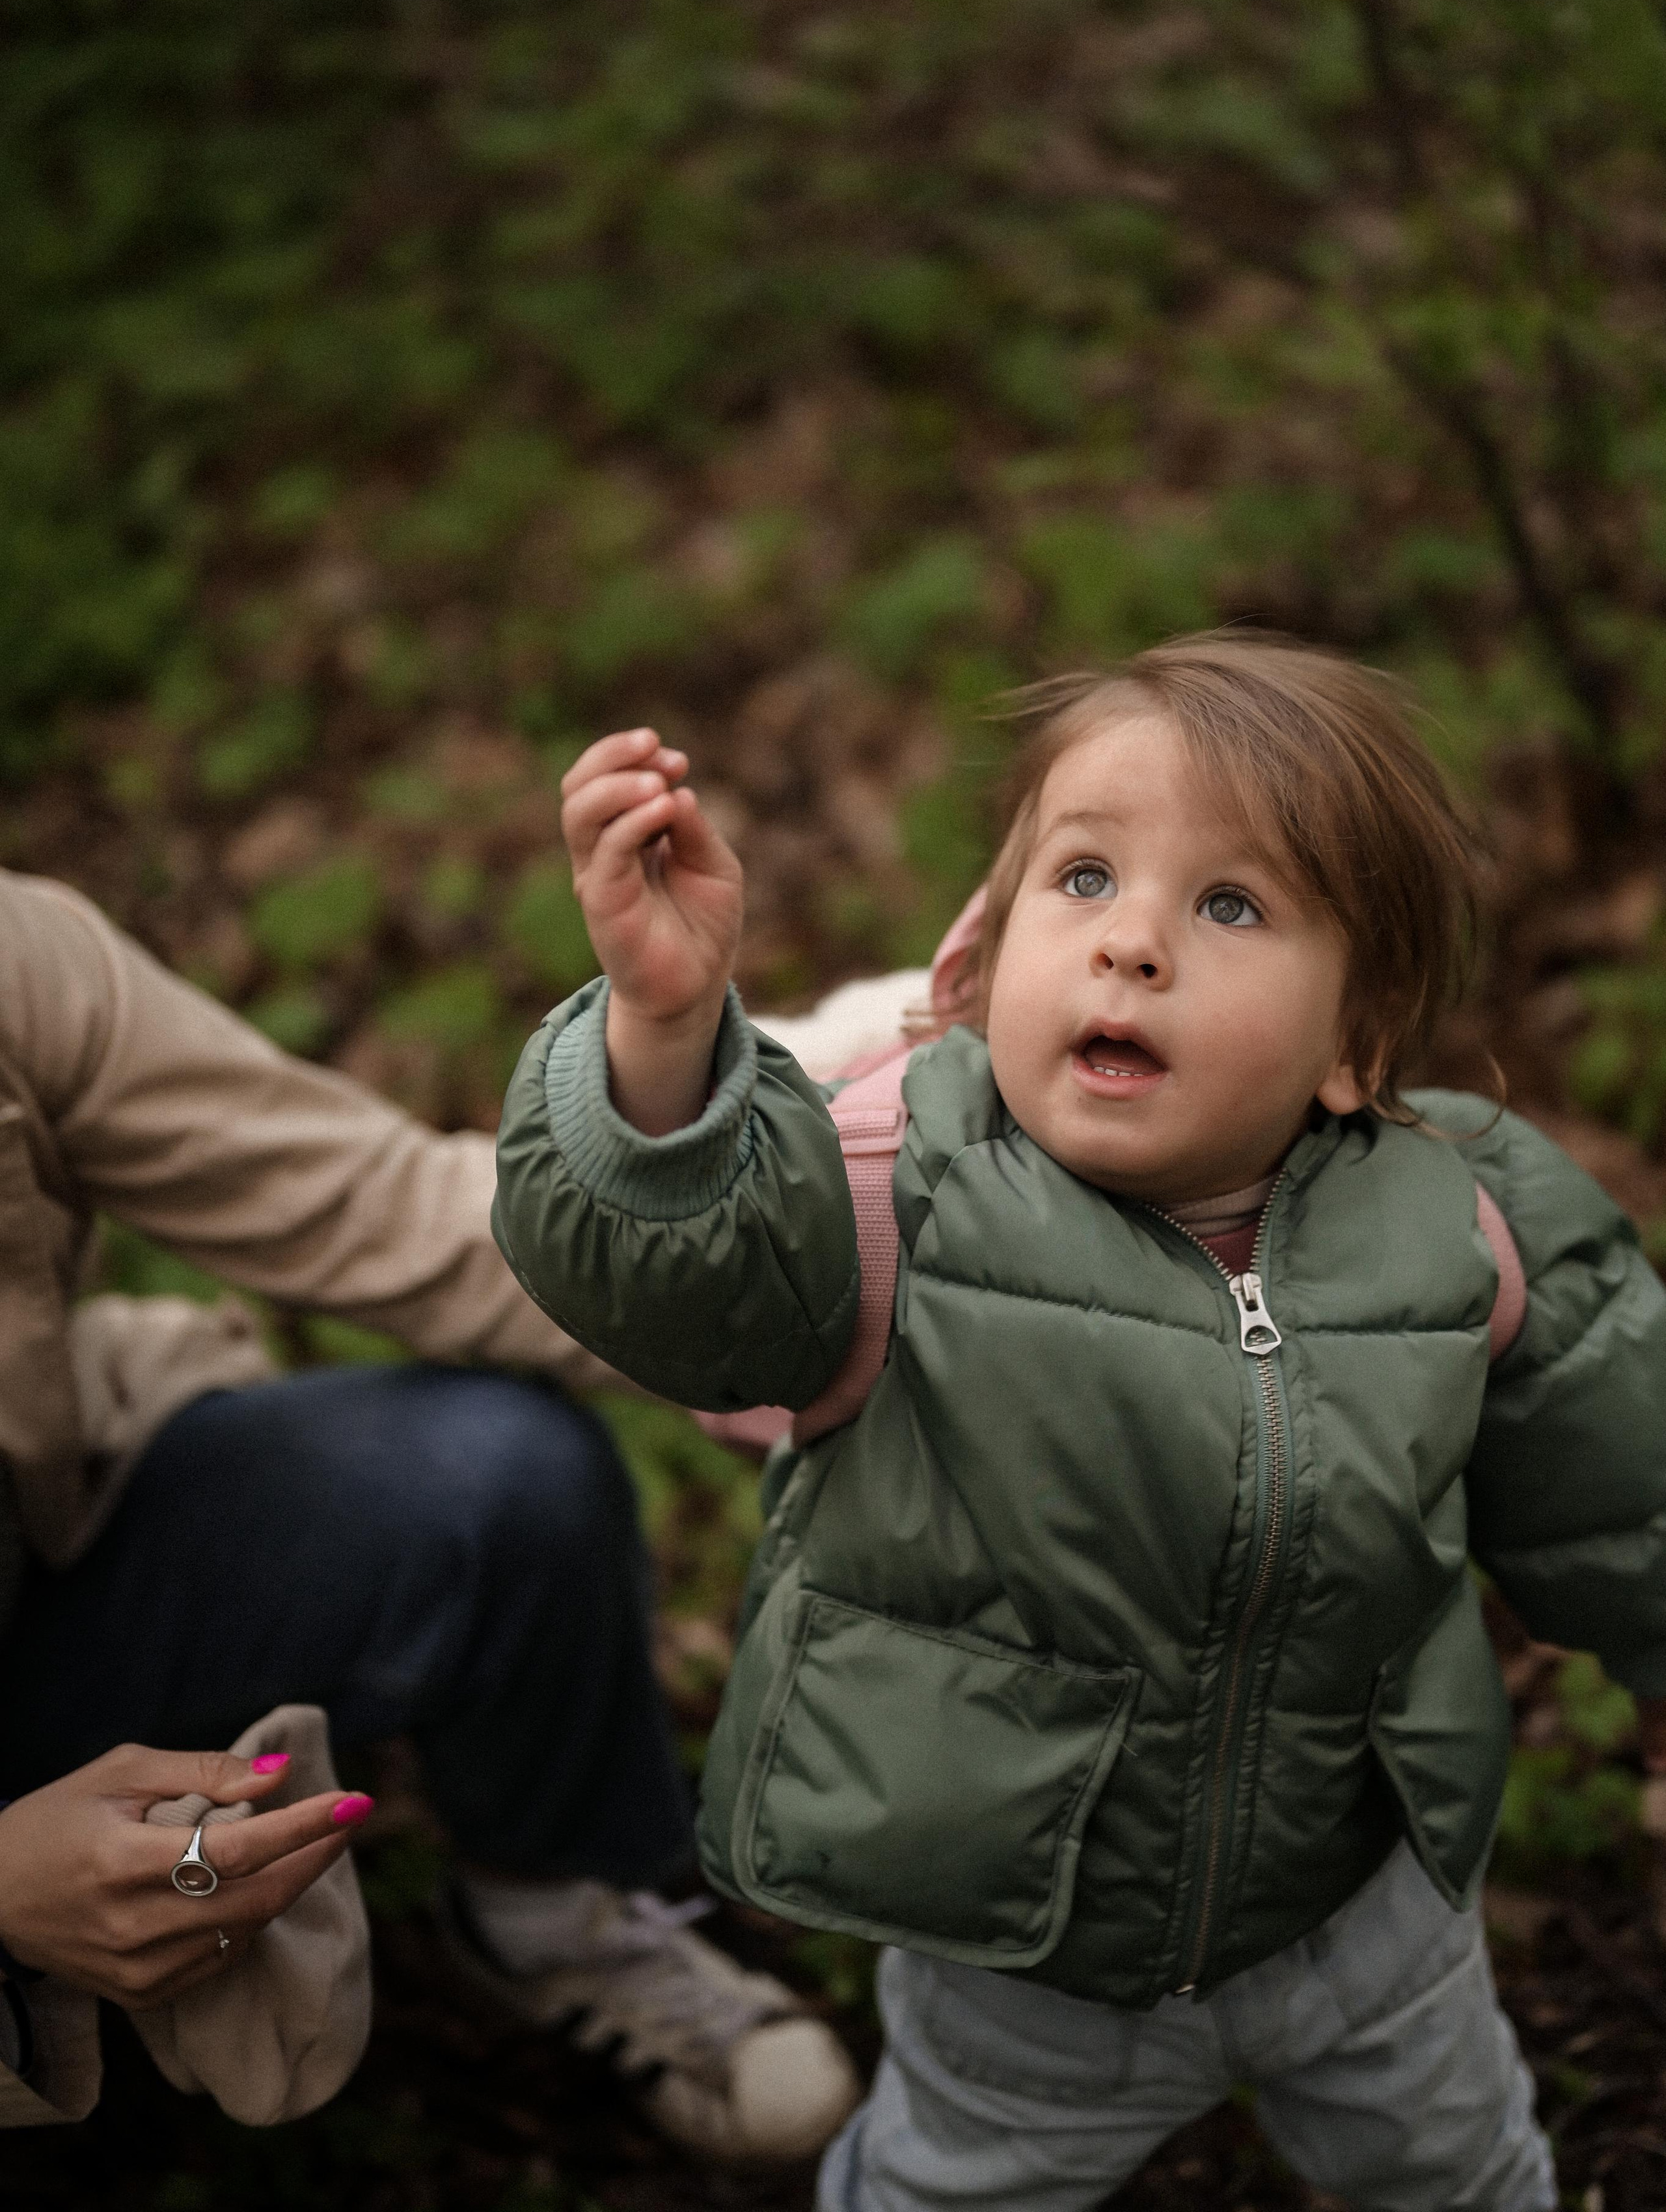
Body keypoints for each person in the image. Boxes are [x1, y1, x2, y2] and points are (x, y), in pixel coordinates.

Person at [493, 631, 1666, 2212]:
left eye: (1228, 903)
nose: (1132, 946)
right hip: (1020, 1950)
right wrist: (663, 1040)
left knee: (1461, 2169)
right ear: (982, 965)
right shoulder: (886, 1192)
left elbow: (1622, 1487)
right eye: (1085, 878)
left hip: (1364, 1908)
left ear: (1353, 1044)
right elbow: (680, 1281)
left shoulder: (1458, 1222)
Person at [0, 866, 858, 2155]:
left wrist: (788, 1306)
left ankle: (541, 1914)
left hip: (39, 1565)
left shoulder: (20, 967)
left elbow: (384, 1204)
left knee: (498, 1482)